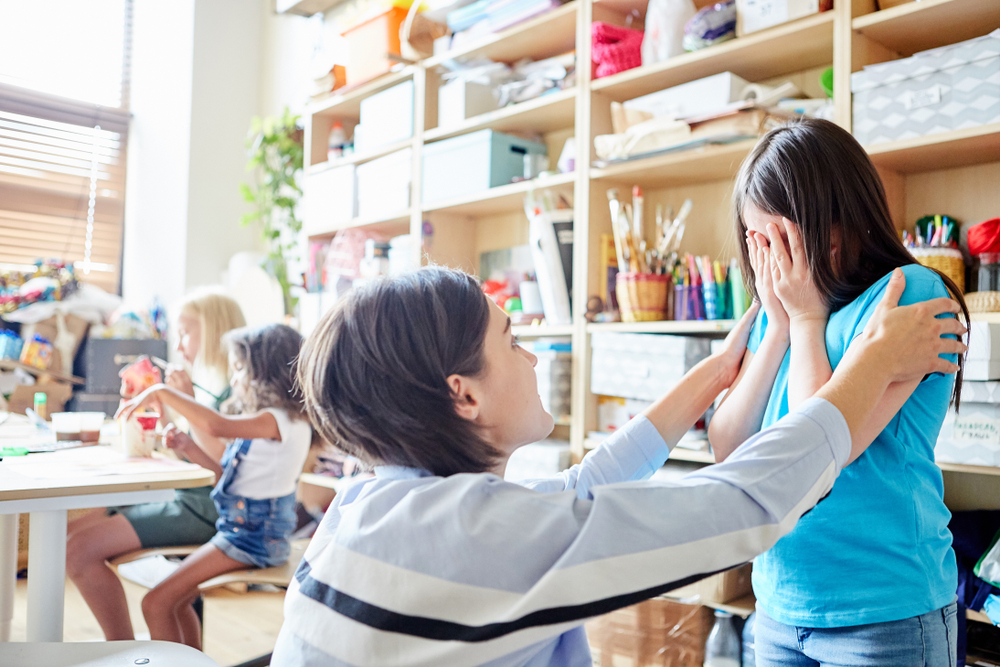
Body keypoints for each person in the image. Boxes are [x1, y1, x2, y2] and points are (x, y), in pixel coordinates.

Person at [270, 265, 964, 666]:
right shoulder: (475, 539)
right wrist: (871, 365)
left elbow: (575, 493)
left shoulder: (373, 507)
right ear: (465, 393)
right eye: (512, 340)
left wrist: (714, 375)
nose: (535, 357)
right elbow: (742, 503)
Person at [708, 118, 968, 666]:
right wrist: (780, 324)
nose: (769, 262)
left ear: (832, 222)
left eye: (778, 239)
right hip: (780, 604)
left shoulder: (910, 296)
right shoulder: (777, 319)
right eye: (757, 243)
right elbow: (728, 446)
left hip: (885, 612)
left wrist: (804, 318)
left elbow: (818, 450)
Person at [115, 323, 312, 649]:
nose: (234, 380)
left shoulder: (278, 419)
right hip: (243, 531)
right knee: (174, 602)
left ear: (266, 372)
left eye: (239, 369)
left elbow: (216, 425)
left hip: (251, 538)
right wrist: (188, 447)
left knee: (156, 603)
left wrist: (162, 392)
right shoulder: (275, 421)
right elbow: (225, 476)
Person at [66, 289, 245, 641]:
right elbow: (189, 451)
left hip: (207, 508)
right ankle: (138, 650)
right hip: (188, 498)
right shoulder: (209, 385)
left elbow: (223, 465)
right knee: (74, 536)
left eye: (186, 333)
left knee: (77, 551)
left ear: (214, 333)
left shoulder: (234, 393)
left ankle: (121, 649)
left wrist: (188, 404)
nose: (178, 346)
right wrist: (163, 417)